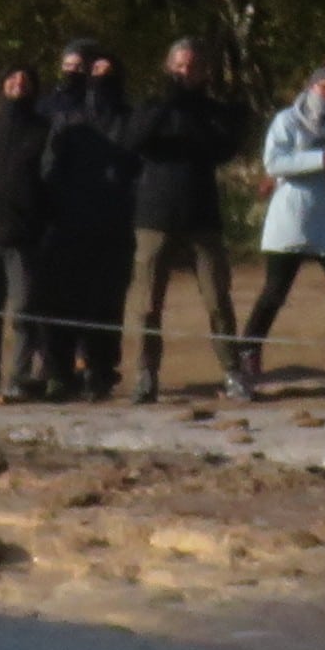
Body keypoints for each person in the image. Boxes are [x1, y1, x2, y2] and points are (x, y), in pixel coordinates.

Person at [238, 61, 325, 393]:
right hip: (291, 217)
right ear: (310, 87)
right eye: (323, 87)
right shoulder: (287, 121)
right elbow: (274, 162)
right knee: (275, 290)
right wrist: (321, 159)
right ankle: (248, 350)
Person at [124, 36, 245, 404]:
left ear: (204, 71)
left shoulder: (211, 110)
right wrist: (167, 106)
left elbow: (223, 148)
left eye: (192, 66)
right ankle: (146, 374)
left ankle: (232, 372)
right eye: (179, 65)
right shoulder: (150, 106)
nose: (185, 72)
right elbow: (133, 140)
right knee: (147, 304)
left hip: (202, 218)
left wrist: (192, 116)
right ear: (168, 67)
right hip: (154, 216)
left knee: (217, 299)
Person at [38, 38, 136, 400]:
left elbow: (139, 170)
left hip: (114, 225)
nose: (96, 77)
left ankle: (100, 373)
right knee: (61, 301)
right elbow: (48, 168)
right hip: (67, 223)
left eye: (104, 71)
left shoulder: (129, 118)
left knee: (107, 304)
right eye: (92, 71)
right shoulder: (64, 118)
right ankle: (59, 373)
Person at [0, 59, 54, 399]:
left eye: (26, 79)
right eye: (12, 78)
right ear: (2, 85)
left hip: (25, 238)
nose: (18, 83)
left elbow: (51, 181)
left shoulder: (45, 129)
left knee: (24, 312)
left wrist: (43, 224)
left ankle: (19, 378)